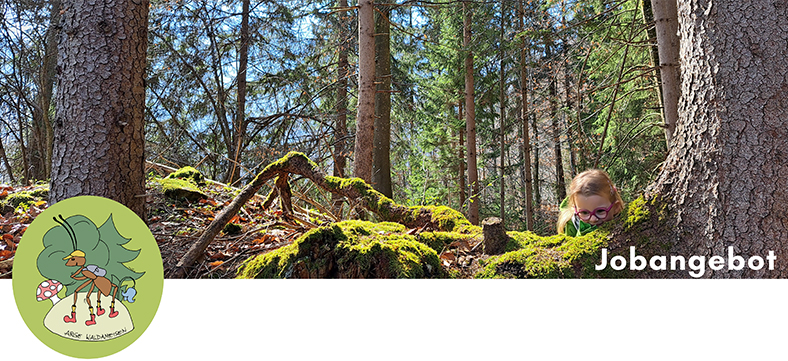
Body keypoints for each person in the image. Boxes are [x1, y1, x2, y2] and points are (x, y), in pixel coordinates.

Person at [557, 169, 624, 236]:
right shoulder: (571, 226)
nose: (593, 219)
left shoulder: (626, 224)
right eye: (584, 212)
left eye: (600, 211)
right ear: (575, 209)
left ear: (616, 207)